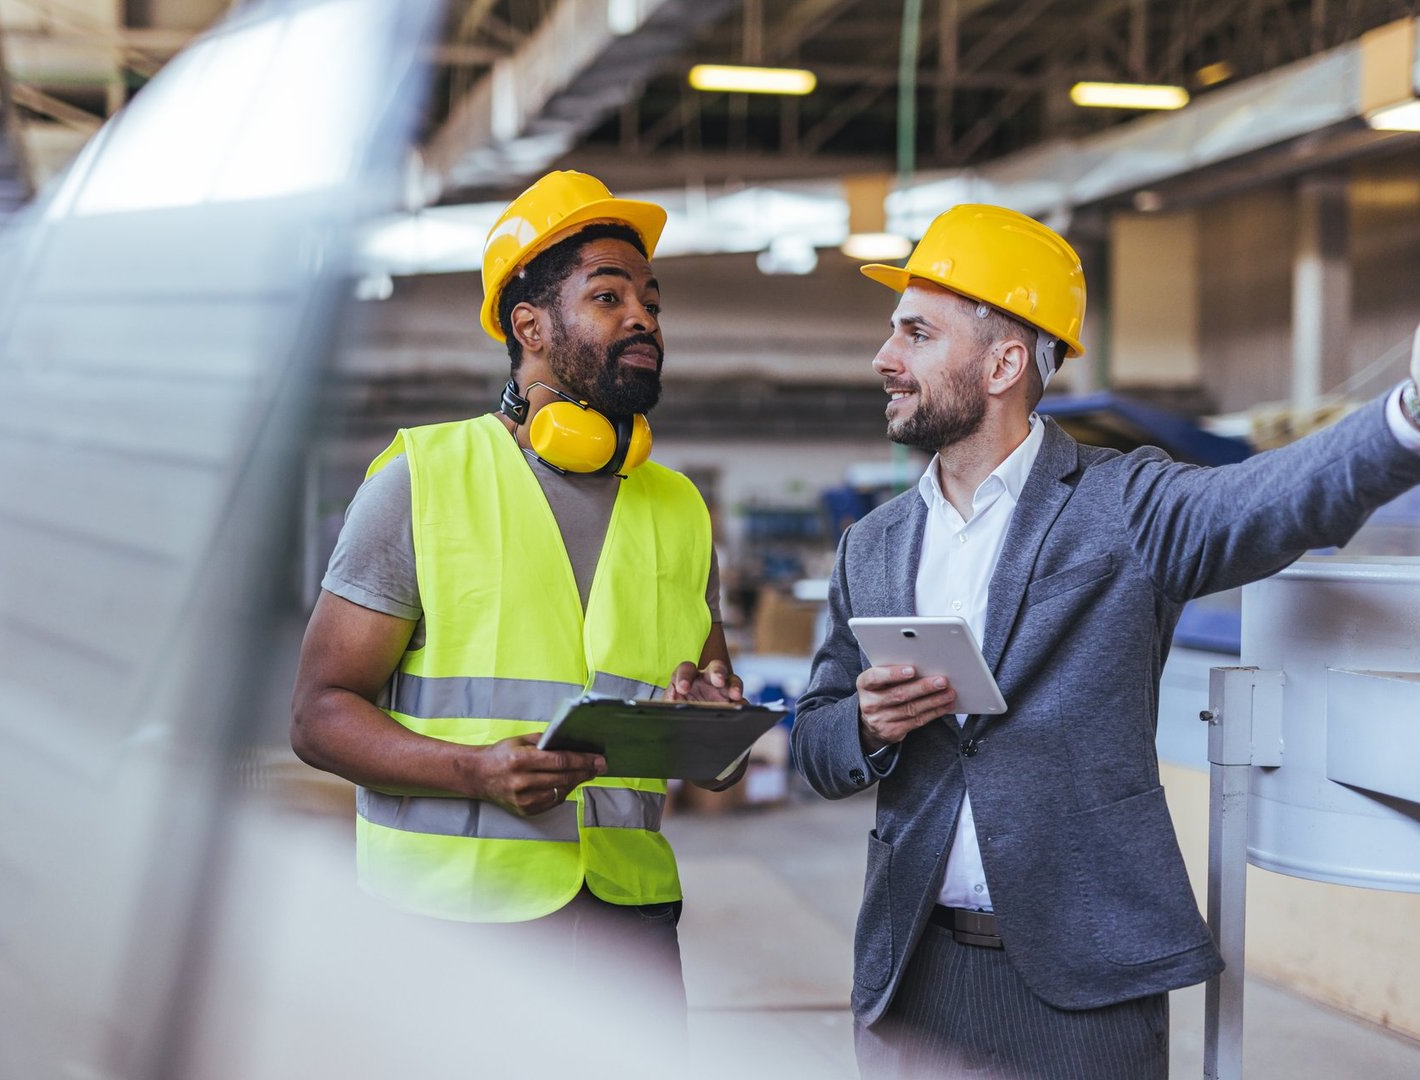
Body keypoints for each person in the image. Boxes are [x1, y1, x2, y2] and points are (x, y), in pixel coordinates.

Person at [791, 203, 1420, 1079]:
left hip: (1085, 986)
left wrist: (1408, 417)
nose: (884, 358)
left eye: (916, 333)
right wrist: (863, 724)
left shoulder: (1124, 505)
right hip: (914, 976)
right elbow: (814, 742)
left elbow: (1274, 497)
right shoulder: (875, 543)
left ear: (1004, 361)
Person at [290, 169, 744, 1032]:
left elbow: (712, 755)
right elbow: (318, 716)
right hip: (452, 930)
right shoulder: (423, 481)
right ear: (528, 326)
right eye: (607, 296)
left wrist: (713, 720)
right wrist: (474, 772)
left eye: (651, 298)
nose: (643, 317)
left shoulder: (679, 507)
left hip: (630, 922)